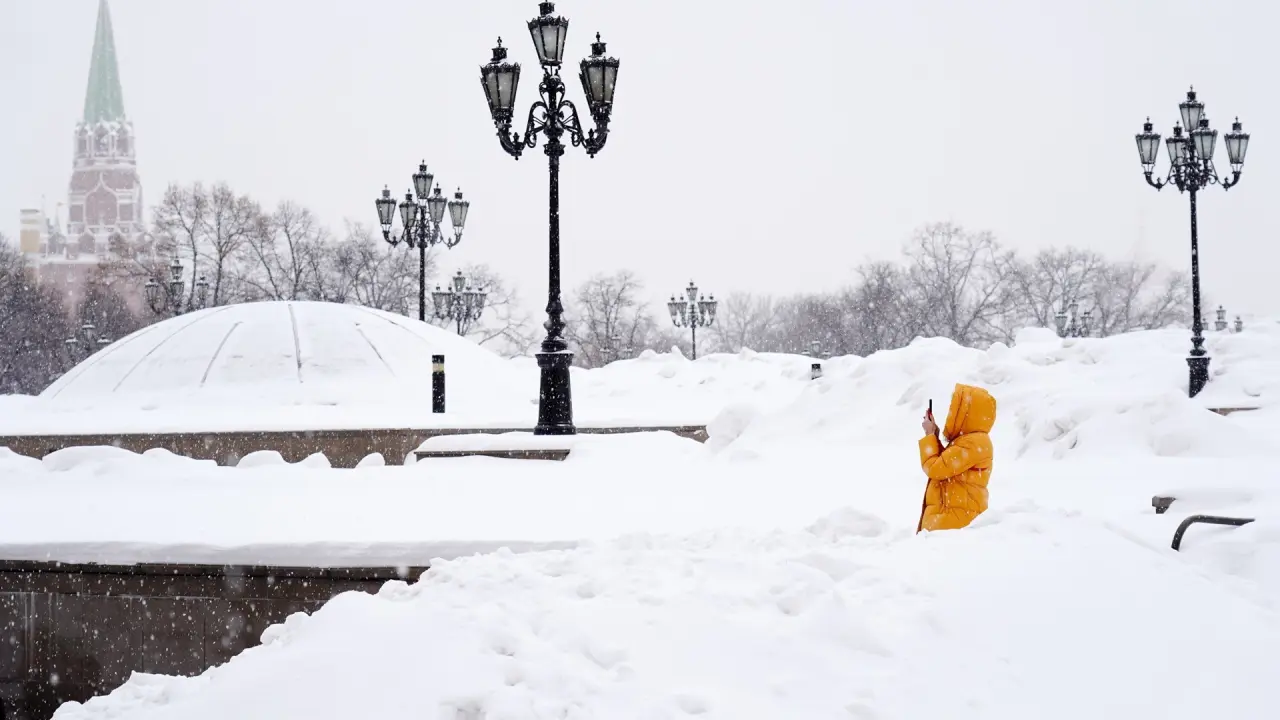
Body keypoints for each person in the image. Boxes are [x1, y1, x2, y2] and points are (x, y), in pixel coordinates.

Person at [917, 383, 997, 533]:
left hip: (953, 525)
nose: (951, 413)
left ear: (967, 412)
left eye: (955, 408)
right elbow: (947, 467)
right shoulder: (970, 441)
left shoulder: (972, 443)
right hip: (953, 521)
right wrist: (934, 436)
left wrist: (929, 437)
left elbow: (936, 469)